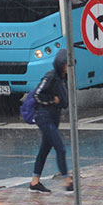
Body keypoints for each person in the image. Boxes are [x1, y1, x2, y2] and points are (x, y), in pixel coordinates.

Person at [29, 52, 73, 193]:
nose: (69, 67)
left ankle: (34, 182)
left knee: (45, 149)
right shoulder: (51, 76)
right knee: (60, 148)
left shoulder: (63, 78)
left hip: (54, 117)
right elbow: (37, 94)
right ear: (61, 64)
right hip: (45, 117)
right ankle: (67, 181)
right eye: (67, 64)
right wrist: (52, 101)